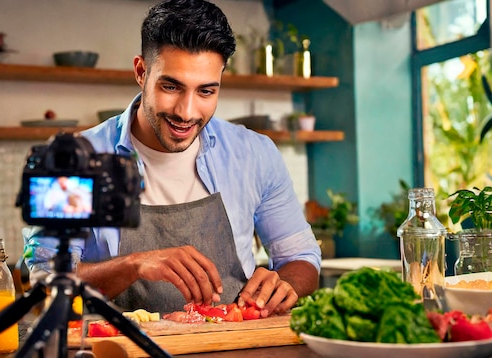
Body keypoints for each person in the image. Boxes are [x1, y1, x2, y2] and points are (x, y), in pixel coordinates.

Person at [24, 0, 321, 317]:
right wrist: (135, 265)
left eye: (206, 91)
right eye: (171, 86)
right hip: (118, 348)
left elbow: (301, 258)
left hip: (233, 343)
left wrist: (285, 282)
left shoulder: (254, 153)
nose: (187, 112)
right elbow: (46, 283)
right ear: (141, 72)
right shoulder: (73, 160)